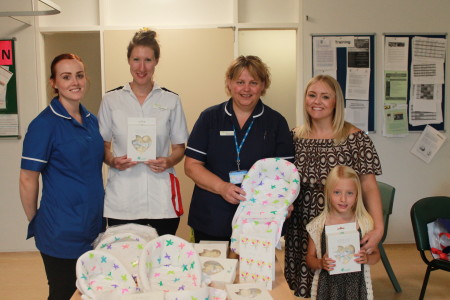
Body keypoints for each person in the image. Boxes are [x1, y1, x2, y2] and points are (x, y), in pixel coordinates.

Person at [284, 74, 383, 297]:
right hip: (302, 225)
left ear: (336, 102)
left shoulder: (356, 139)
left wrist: (378, 227)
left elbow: (368, 185)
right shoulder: (293, 137)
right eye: (312, 95)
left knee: (339, 286)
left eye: (325, 96)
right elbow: (283, 180)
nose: (316, 101)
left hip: (341, 224)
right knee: (309, 281)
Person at [19, 53, 104, 300]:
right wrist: (35, 220)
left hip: (92, 227)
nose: (74, 82)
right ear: (54, 83)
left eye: (79, 75)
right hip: (61, 231)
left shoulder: (91, 120)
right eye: (66, 77)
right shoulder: (44, 125)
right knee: (62, 292)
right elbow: (27, 178)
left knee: (91, 291)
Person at [184, 55, 294, 243]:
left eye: (253, 82)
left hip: (259, 221)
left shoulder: (275, 122)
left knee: (254, 272)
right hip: (212, 217)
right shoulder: (210, 118)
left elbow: (286, 173)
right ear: (229, 83)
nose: (246, 89)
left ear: (263, 85)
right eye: (240, 82)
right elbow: (191, 165)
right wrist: (222, 187)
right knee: (214, 271)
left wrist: (286, 201)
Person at [98, 28, 189, 236]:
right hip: (122, 200)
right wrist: (113, 161)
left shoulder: (170, 100)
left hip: (161, 201)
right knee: (123, 262)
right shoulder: (111, 100)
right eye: (136, 59)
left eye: (147, 60)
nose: (141, 67)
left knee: (161, 262)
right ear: (128, 61)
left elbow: (179, 147)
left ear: (156, 61)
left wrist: (168, 161)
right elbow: (103, 146)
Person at [306, 165, 380, 300]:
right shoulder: (317, 225)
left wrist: (367, 258)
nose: (343, 199)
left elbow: (376, 255)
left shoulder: (365, 223)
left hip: (357, 287)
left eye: (349, 193)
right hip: (327, 288)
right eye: (337, 192)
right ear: (328, 193)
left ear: (357, 195)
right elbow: (309, 258)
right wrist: (321, 263)